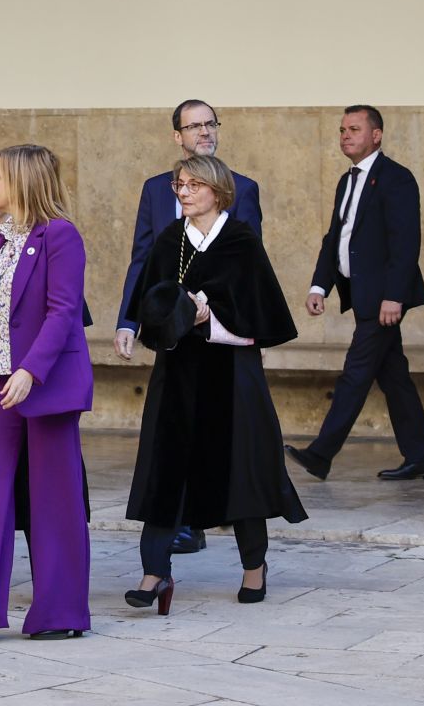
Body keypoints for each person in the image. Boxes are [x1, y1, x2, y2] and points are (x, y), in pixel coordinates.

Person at [123, 154, 305, 612]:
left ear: (218, 192)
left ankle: (254, 566)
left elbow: (263, 319)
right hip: (177, 374)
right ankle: (154, 572)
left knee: (241, 468)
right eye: (179, 185)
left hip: (233, 374)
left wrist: (211, 317)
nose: (183, 192)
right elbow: (150, 311)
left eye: (193, 185)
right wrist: (173, 316)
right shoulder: (169, 242)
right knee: (166, 468)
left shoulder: (241, 242)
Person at [0, 144, 92, 641]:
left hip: (41, 383)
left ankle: (60, 613)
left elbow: (63, 310)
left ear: (25, 183)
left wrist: (31, 369)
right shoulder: (4, 238)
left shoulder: (60, 235)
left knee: (54, 496)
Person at [113, 98, 264, 556]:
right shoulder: (156, 189)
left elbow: (250, 264)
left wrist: (223, 313)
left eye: (210, 124)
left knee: (221, 432)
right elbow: (143, 259)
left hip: (220, 334)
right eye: (194, 126)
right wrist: (129, 319)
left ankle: (223, 518)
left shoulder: (243, 188)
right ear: (176, 136)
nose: (204, 132)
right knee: (173, 429)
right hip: (172, 334)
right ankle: (179, 525)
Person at [287, 106, 424, 482]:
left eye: (354, 129)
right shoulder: (347, 181)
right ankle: (422, 457)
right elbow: (335, 238)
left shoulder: (396, 178)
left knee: (355, 374)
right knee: (394, 377)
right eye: (342, 130)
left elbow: (405, 242)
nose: (345, 136)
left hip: (382, 299)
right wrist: (319, 285)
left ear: (377, 135)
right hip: (361, 294)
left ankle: (321, 454)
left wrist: (395, 296)